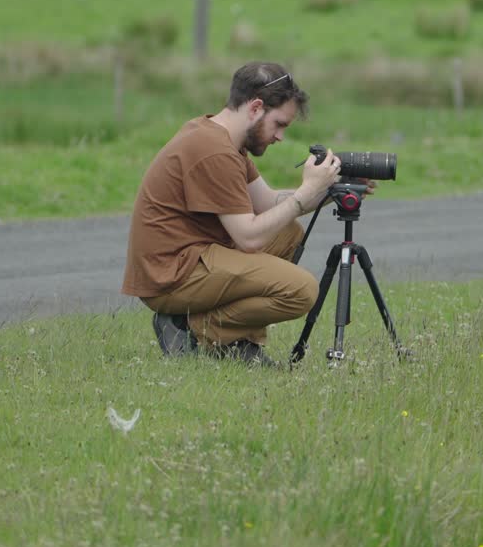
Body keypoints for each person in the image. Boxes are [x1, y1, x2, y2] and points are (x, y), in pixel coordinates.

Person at [121, 61, 344, 366]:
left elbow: (269, 202)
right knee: (302, 291)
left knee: (287, 233)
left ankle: (233, 341)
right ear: (255, 108)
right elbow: (248, 237)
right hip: (171, 276)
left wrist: (331, 189)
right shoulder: (214, 150)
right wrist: (305, 193)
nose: (280, 136)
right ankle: (192, 327)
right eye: (279, 124)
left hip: (191, 258)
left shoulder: (221, 137)